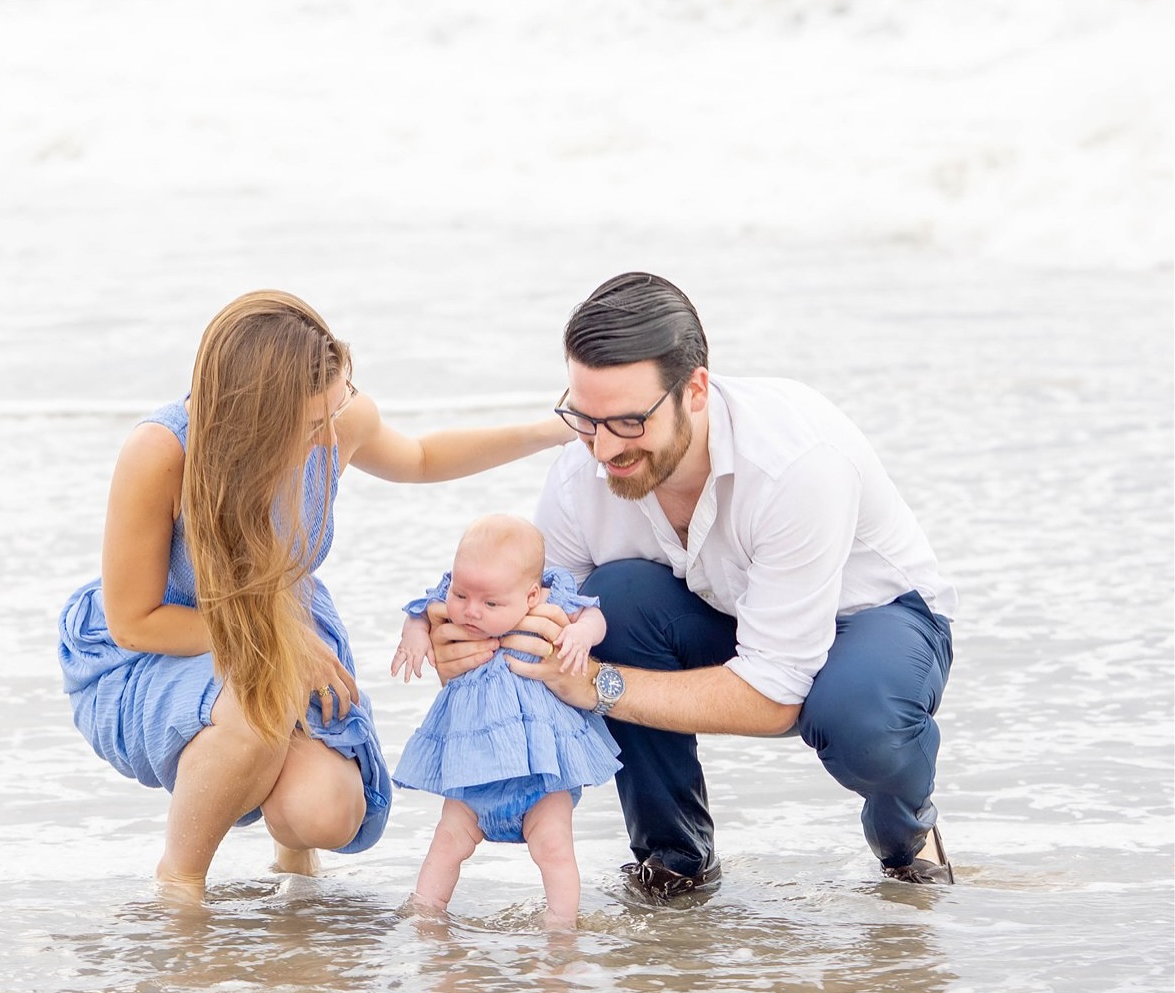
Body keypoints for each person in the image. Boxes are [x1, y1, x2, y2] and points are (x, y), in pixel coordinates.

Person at [430, 272, 959, 898]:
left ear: (696, 390)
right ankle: (674, 861)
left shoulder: (796, 464)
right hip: (719, 613)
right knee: (611, 601)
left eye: (628, 421)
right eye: (584, 418)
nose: (602, 448)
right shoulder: (581, 471)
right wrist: (470, 643)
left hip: (878, 623)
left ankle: (907, 837)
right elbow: (538, 618)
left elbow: (775, 694)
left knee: (860, 720)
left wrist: (594, 683)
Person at [58, 291, 570, 900]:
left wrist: (552, 431)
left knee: (326, 811)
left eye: (334, 411)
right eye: (307, 426)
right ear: (251, 418)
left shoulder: (336, 418)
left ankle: (291, 854)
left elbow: (423, 457)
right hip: (159, 649)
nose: (328, 437)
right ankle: (181, 881)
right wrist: (279, 649)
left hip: (285, 630)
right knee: (258, 701)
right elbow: (135, 621)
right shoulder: (162, 452)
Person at [391, 514, 620, 928]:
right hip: (474, 773)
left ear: (532, 596)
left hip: (541, 777)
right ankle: (424, 916)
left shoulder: (554, 601)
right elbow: (421, 610)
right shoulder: (454, 601)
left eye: (490, 603)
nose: (470, 611)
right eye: (461, 594)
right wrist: (415, 632)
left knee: (554, 851)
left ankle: (561, 927)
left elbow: (594, 616)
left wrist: (581, 635)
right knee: (446, 844)